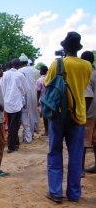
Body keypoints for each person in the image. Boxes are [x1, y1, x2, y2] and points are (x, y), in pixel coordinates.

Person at [45, 32, 92, 203]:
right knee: (76, 155)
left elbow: (48, 87)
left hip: (58, 115)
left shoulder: (56, 64)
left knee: (55, 153)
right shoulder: (87, 66)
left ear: (64, 47)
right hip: (78, 116)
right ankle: (74, 194)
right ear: (78, 48)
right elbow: (83, 86)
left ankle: (56, 192)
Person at [0, 58, 29, 153]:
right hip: (16, 103)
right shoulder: (19, 75)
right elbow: (26, 89)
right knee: (14, 125)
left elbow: (1, 87)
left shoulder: (5, 74)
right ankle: (11, 146)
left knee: (11, 124)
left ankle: (15, 143)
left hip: (6, 103)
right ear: (19, 65)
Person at [80, 51, 96, 176]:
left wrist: (83, 113)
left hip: (89, 113)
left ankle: (80, 169)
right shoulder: (94, 73)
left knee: (84, 141)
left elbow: (88, 95)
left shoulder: (87, 74)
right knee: (95, 140)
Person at [19, 53, 38, 143]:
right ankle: (31, 134)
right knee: (32, 114)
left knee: (26, 115)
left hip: (26, 94)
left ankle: (28, 136)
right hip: (33, 93)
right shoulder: (33, 70)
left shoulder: (20, 71)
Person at [36, 65, 49, 136]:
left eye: (40, 70)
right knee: (51, 115)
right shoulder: (50, 78)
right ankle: (50, 130)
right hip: (51, 99)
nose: (40, 71)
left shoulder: (39, 80)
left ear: (42, 71)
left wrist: (37, 101)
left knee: (45, 116)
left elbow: (38, 91)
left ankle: (46, 131)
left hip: (43, 100)